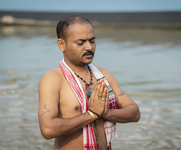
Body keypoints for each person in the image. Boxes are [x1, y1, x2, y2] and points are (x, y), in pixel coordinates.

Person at [38, 15, 141, 150]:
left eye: (92, 41)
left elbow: (135, 112)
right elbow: (47, 129)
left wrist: (106, 113)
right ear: (62, 44)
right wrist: (91, 114)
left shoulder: (103, 75)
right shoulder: (52, 80)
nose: (89, 47)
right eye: (80, 43)